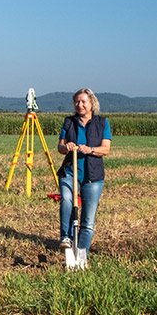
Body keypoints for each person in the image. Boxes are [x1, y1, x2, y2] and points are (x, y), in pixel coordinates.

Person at [57, 88, 112, 254]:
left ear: (92, 104)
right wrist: (66, 147)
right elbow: (60, 147)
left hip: (93, 176)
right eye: (76, 102)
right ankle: (65, 237)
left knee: (87, 219)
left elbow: (106, 149)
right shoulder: (69, 122)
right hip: (70, 172)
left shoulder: (102, 123)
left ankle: (81, 253)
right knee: (66, 200)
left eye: (83, 102)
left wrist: (91, 150)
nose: (79, 105)